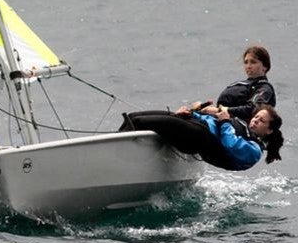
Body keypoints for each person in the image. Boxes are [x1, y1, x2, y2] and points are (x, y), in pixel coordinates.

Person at [120, 104, 283, 171]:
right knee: (133, 116)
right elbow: (211, 120)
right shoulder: (241, 126)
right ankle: (111, 145)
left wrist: (225, 122)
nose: (255, 120)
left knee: (139, 121)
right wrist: (192, 112)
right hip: (195, 126)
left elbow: (230, 145)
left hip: (198, 138)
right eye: (256, 117)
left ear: (269, 131)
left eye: (261, 120)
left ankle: (117, 158)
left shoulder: (254, 151)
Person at [198, 45, 276, 123]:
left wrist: (221, 110)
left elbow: (252, 108)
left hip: (237, 123)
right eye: (246, 62)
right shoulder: (243, 84)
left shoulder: (264, 88)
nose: (248, 66)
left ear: (265, 66)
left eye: (253, 62)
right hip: (220, 116)